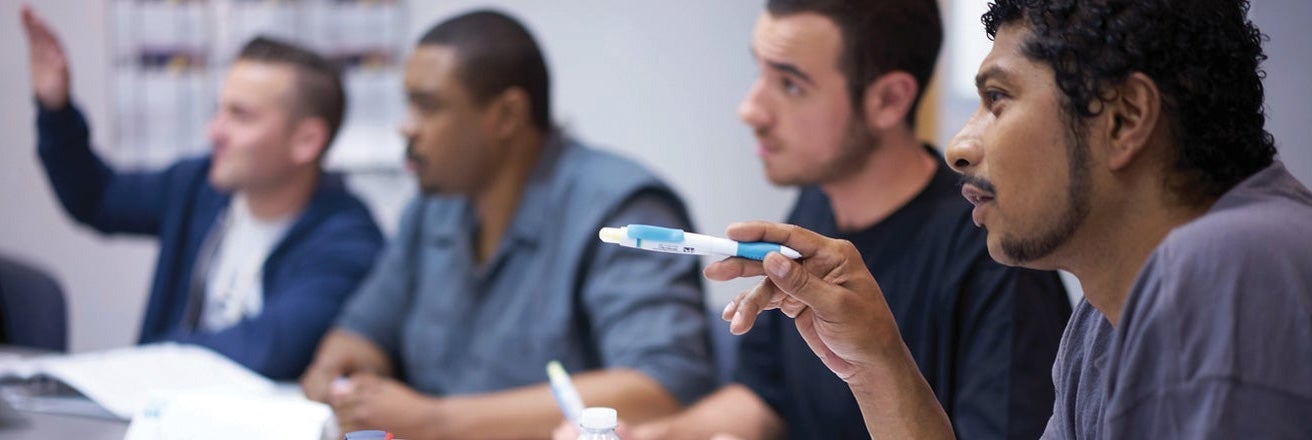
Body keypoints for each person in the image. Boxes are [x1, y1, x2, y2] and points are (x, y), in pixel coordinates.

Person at [709, 0, 1312, 438]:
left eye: (997, 100)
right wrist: (875, 365)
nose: (959, 147)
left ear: (1125, 119)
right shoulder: (1100, 325)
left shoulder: (1234, 259)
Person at [555, 1, 1071, 439]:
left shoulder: (993, 250)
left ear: (889, 100)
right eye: (760, 72)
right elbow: (763, 395)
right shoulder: (815, 208)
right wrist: (659, 435)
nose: (751, 109)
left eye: (791, 85)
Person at [298, 10, 716, 438]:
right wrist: (344, 371)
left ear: (507, 116)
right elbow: (362, 331)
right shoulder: (436, 203)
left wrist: (435, 421)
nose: (406, 127)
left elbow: (662, 388)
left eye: (427, 106)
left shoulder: (621, 210)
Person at [21, 6, 383, 379]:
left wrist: (143, 360)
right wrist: (55, 109)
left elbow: (270, 346)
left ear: (306, 141)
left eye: (240, 116)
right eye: (218, 111)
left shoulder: (349, 241)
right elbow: (96, 198)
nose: (214, 131)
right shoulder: (200, 186)